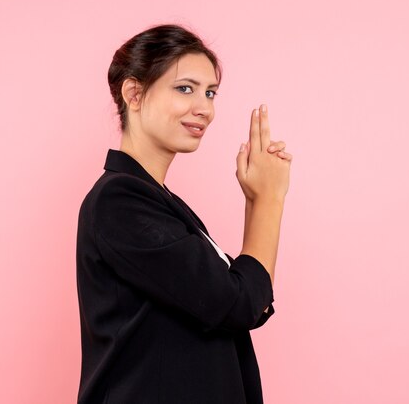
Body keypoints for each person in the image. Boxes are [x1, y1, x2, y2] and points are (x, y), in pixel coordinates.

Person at [76, 24, 292, 404]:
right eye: (185, 88)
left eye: (210, 93)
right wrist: (270, 200)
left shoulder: (160, 202)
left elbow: (245, 303)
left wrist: (257, 200)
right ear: (135, 93)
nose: (204, 108)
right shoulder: (120, 202)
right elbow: (239, 304)